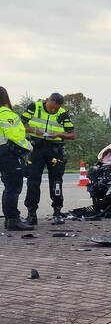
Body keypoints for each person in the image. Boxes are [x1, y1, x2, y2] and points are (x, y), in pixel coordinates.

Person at [22, 92, 75, 225]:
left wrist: (58, 134)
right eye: (52, 107)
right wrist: (33, 131)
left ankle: (57, 212)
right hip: (36, 148)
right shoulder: (35, 107)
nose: (53, 110)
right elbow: (20, 125)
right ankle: (31, 213)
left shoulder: (62, 113)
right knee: (33, 181)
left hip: (54, 149)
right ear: (48, 101)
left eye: (56, 109)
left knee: (56, 180)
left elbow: (72, 135)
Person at [1, 86, 34, 231]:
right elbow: (15, 136)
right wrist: (29, 146)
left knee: (8, 188)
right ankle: (12, 219)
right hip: (7, 154)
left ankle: (10, 218)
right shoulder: (7, 114)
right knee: (13, 187)